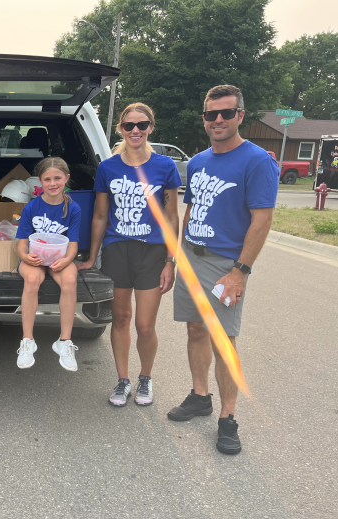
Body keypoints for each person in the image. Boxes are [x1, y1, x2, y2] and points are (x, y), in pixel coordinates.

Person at [168, 85, 278, 455]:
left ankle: (227, 419)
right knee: (196, 329)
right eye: (211, 114)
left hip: (224, 263)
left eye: (226, 113)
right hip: (191, 256)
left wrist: (240, 271)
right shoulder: (198, 161)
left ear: (240, 116)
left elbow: (262, 219)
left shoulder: (257, 160)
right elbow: (190, 209)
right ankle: (201, 396)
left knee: (223, 341)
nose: (217, 120)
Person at [77, 103, 182, 407]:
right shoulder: (108, 168)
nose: (135, 130)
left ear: (151, 127)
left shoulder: (165, 166)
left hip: (152, 252)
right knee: (121, 318)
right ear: (120, 129)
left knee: (145, 326)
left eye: (142, 124)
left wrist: (171, 260)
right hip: (116, 249)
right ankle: (122, 381)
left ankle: (145, 378)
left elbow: (172, 217)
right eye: (129, 125)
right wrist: (91, 257)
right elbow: (99, 215)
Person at [16, 157, 82, 371]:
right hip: (34, 259)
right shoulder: (31, 207)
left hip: (59, 258)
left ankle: (64, 342)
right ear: (40, 181)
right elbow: (22, 244)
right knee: (33, 279)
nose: (53, 183)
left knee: (70, 280)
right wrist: (26, 258)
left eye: (57, 178)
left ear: (67, 178)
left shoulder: (73, 208)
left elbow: (73, 244)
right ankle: (28, 341)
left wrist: (66, 260)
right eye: (47, 179)